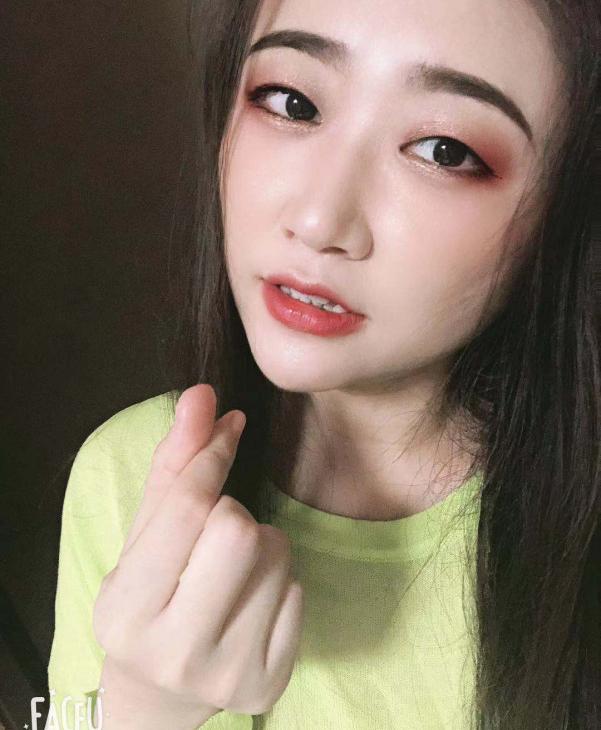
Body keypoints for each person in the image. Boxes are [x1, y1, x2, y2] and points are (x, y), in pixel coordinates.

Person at [48, 0, 600, 728]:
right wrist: (142, 707)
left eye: (444, 151)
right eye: (292, 102)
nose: (317, 220)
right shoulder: (127, 472)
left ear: (564, 211)